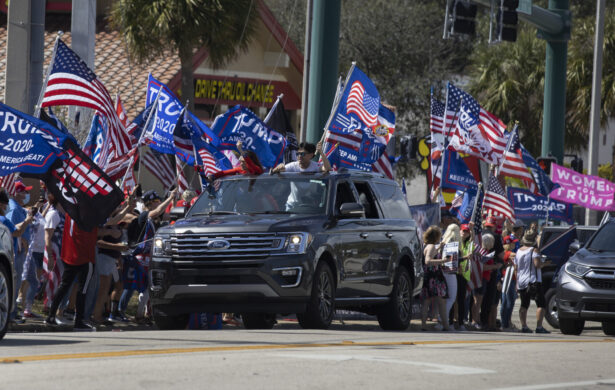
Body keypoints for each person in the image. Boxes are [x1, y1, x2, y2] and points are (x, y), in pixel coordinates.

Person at [44, 213, 98, 331]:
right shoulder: (89, 215)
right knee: (82, 289)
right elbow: (103, 226)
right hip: (85, 256)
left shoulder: (70, 212)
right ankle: (79, 322)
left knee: (64, 286)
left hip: (70, 254)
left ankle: (51, 316)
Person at [5, 181, 34, 319]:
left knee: (17, 281)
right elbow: (11, 228)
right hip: (16, 250)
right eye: (23, 191)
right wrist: (21, 238)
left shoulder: (19, 207)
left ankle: (13, 312)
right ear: (15, 192)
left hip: (20, 249)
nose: (26, 194)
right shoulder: (14, 208)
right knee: (14, 283)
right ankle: (11, 313)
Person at [514, 228, 551, 334]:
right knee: (541, 304)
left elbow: (516, 268)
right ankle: (539, 327)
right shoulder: (534, 250)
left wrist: (517, 282)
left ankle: (524, 326)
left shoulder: (519, 251)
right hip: (533, 280)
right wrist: (546, 264)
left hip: (521, 280)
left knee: (524, 304)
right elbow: (537, 264)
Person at [421, 226, 450, 331]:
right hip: (435, 277)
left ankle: (423, 325)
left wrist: (438, 248)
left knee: (426, 301)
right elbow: (428, 261)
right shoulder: (431, 246)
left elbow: (430, 254)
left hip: (427, 276)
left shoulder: (426, 245)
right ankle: (446, 326)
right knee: (442, 302)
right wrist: (443, 261)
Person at [440, 224, 460, 328]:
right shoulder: (453, 242)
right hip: (450, 271)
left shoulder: (444, 241)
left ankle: (443, 319)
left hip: (443, 270)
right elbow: (453, 258)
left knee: (446, 297)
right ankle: (443, 320)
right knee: (452, 297)